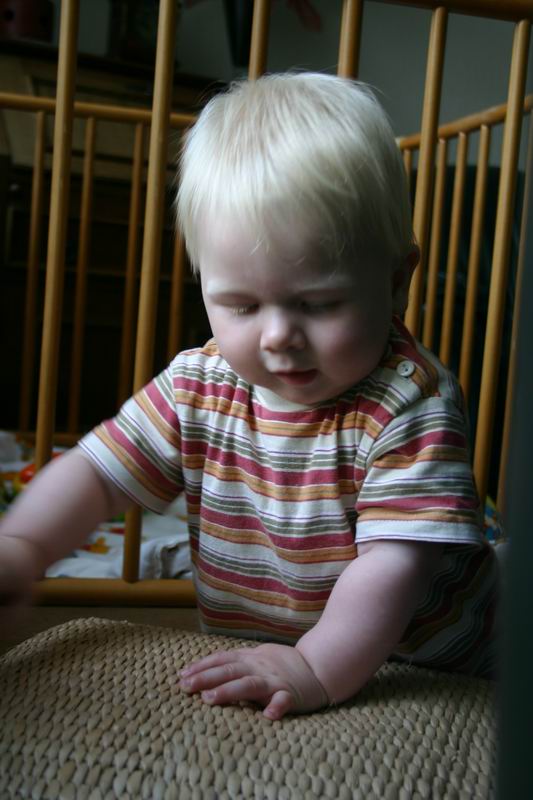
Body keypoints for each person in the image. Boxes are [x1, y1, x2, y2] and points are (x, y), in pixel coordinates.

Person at [0, 73, 497, 720]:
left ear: (397, 281)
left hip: (430, 660)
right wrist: (24, 546)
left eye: (318, 304)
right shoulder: (199, 384)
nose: (278, 335)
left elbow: (393, 564)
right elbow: (97, 474)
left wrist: (314, 664)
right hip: (272, 643)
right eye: (240, 305)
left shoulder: (408, 403)